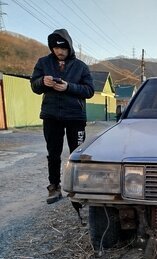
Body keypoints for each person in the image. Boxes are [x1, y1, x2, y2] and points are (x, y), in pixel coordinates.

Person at [31, 29, 94, 204]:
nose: (59, 52)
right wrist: (42, 82)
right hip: (51, 116)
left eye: (63, 48)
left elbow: (89, 91)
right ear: (51, 47)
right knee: (53, 153)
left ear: (69, 47)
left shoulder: (81, 66)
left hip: (76, 117)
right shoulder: (43, 63)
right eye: (56, 48)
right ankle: (54, 187)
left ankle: (79, 187)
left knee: (78, 153)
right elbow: (34, 86)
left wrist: (68, 87)